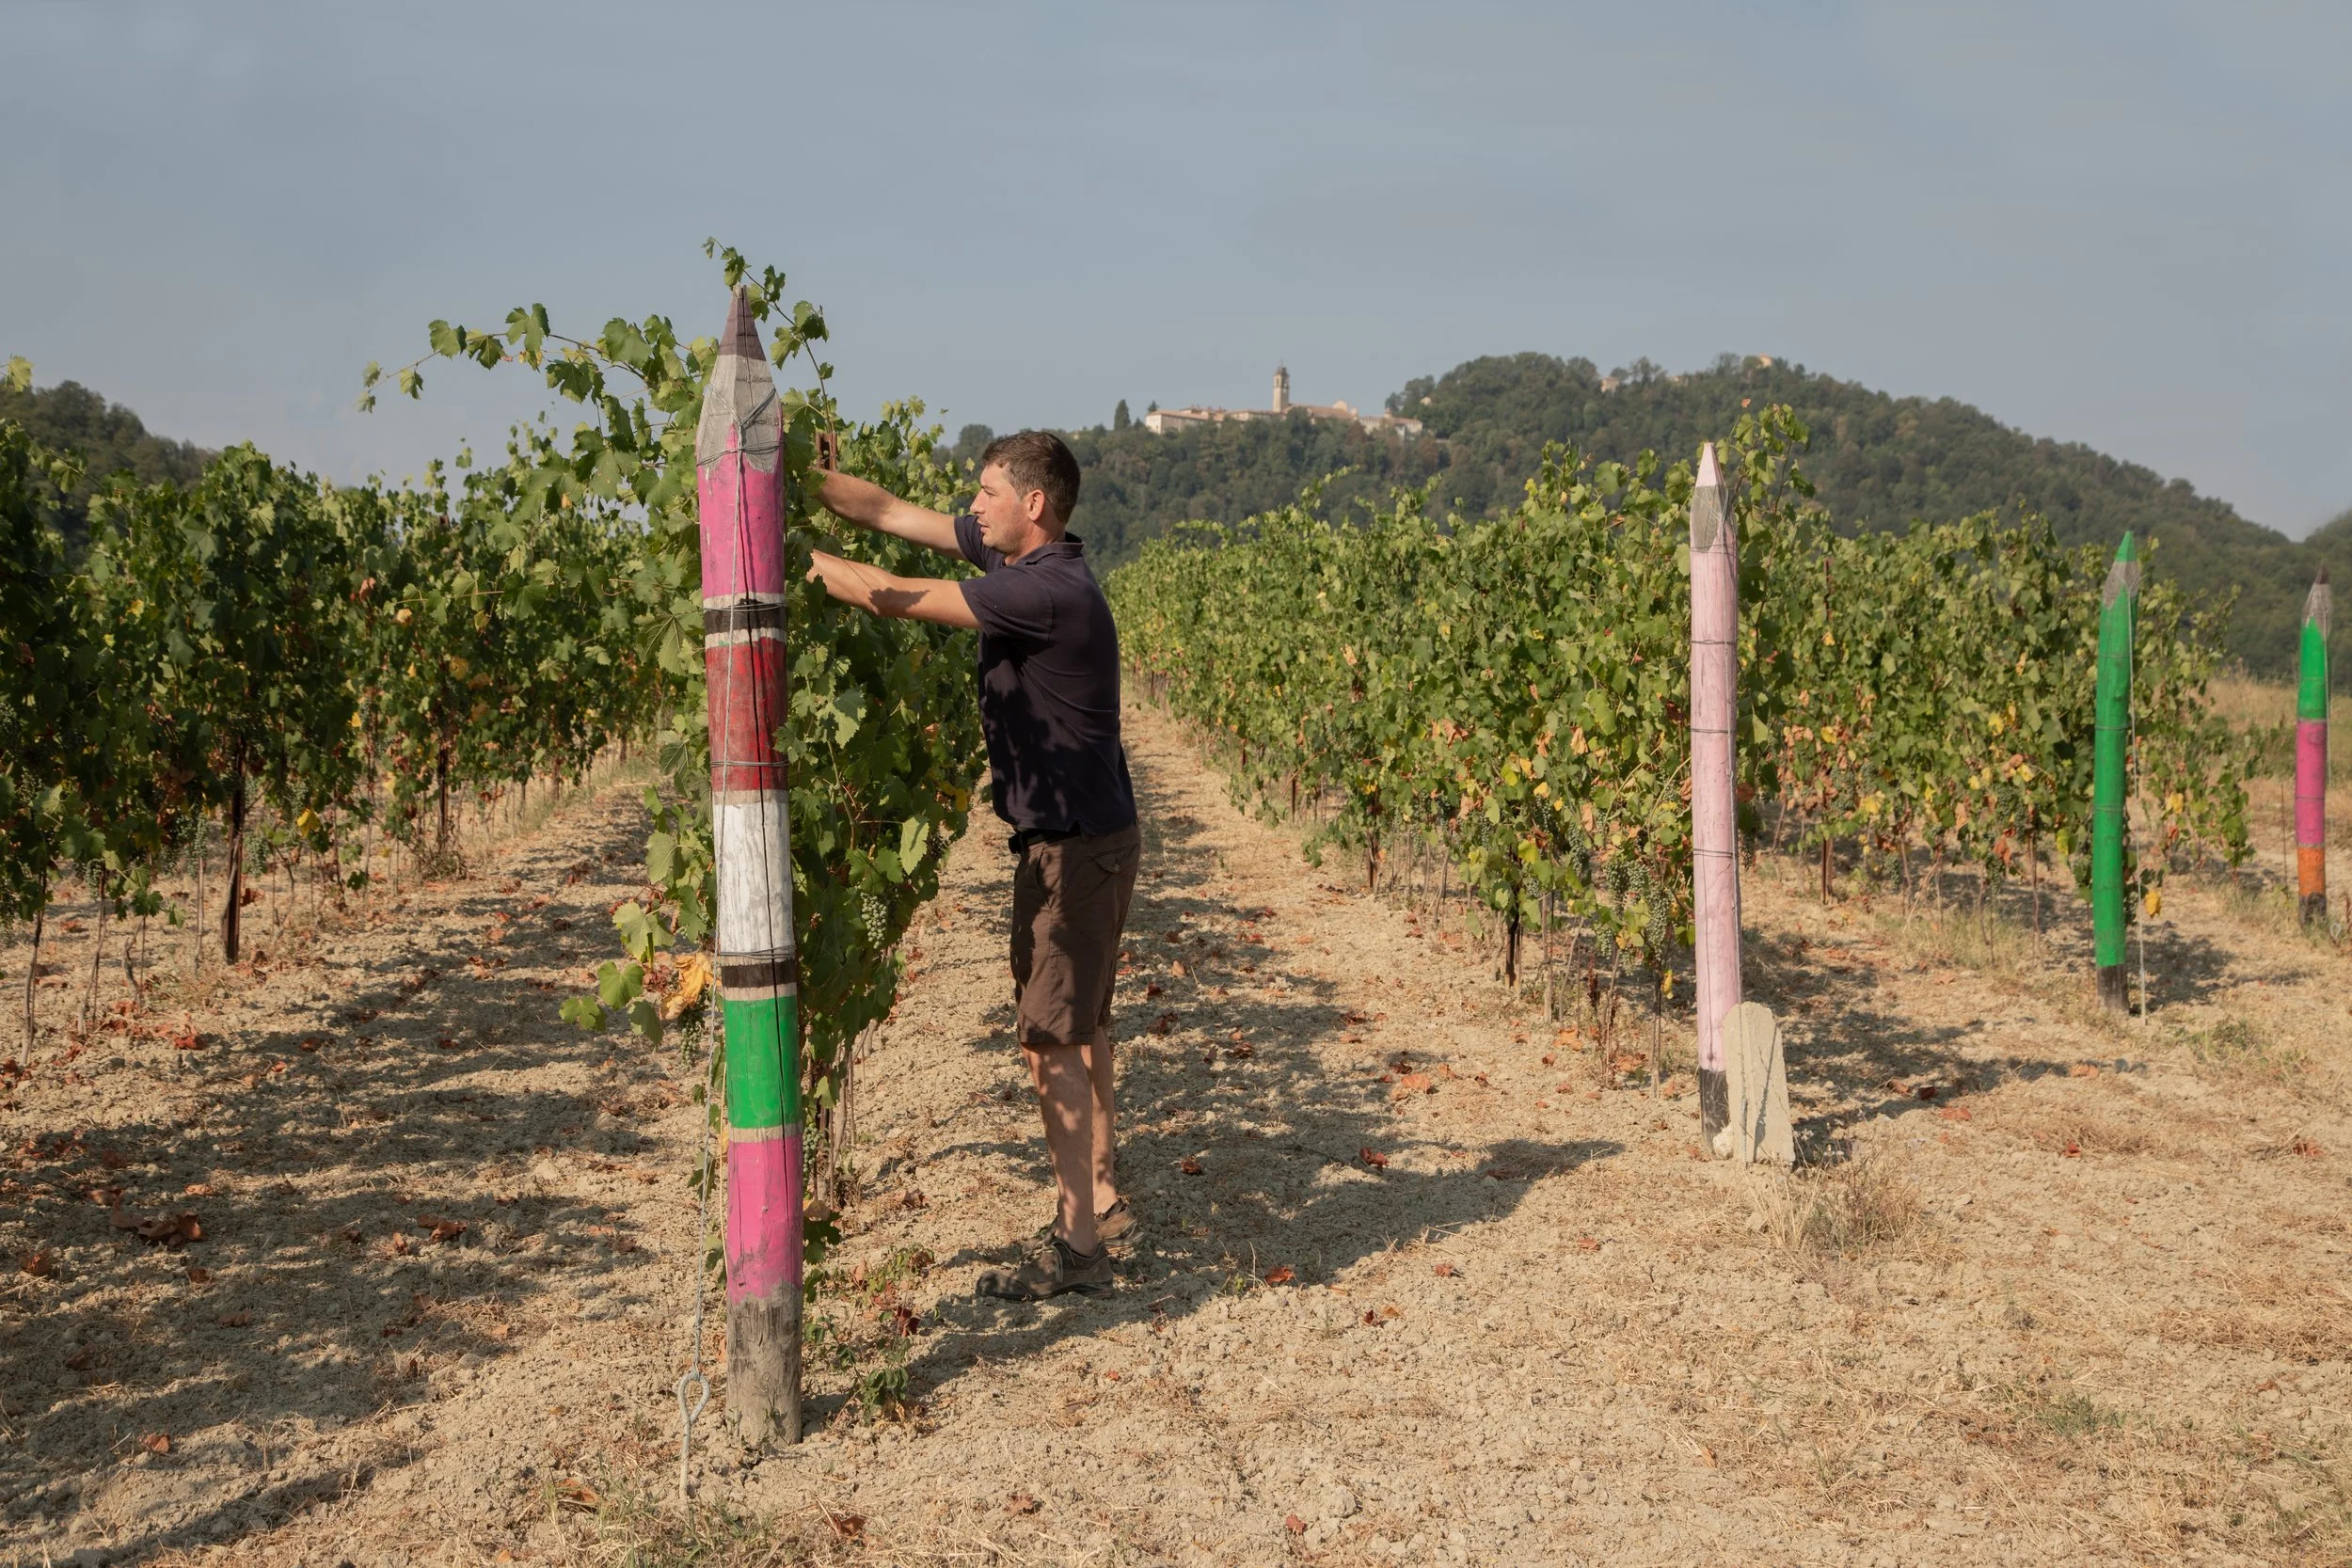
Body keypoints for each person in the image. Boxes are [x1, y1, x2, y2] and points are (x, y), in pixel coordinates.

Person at [804, 430, 1139, 1301]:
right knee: (1082, 1020)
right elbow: (886, 514)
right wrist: (808, 480)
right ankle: (1103, 1195)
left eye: (987, 491)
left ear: (1034, 505)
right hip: (1079, 838)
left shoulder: (1044, 591)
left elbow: (889, 595)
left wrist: (769, 545)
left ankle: (1078, 1249)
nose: (973, 504)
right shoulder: (1026, 558)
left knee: (1052, 1037)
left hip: (1075, 846)